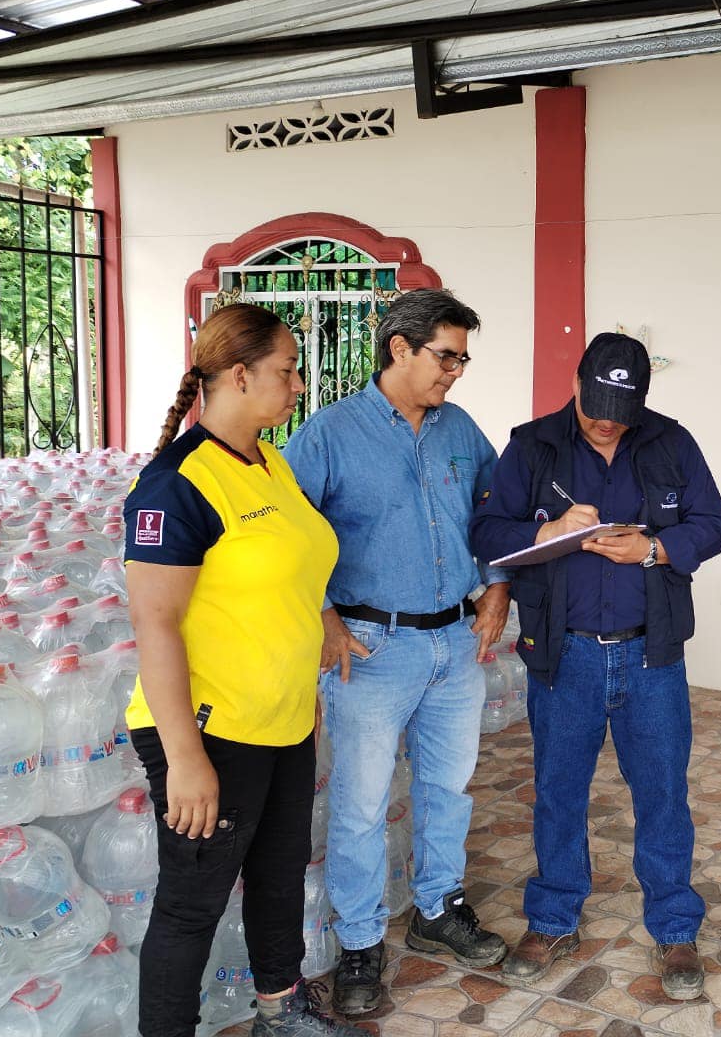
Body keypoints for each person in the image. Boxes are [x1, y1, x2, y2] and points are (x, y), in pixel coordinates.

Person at [123, 302, 364, 1037]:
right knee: (191, 904)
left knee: (278, 875)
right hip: (211, 729)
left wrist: (307, 664)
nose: (298, 386)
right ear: (237, 375)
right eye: (287, 371)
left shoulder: (268, 462)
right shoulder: (177, 484)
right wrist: (186, 759)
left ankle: (280, 1011)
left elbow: (292, 574)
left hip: (280, 720)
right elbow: (155, 624)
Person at [470, 332, 721, 1000]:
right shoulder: (532, 446)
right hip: (567, 653)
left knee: (663, 794)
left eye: (622, 410)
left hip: (651, 654)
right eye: (596, 407)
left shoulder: (671, 442)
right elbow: (488, 531)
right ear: (577, 382)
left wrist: (653, 549)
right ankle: (553, 918)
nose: (607, 422)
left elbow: (713, 524)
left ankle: (675, 926)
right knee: (559, 791)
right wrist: (548, 531)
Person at [282, 289, 512, 1017]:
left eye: (463, 359)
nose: (456, 372)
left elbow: (496, 514)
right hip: (370, 648)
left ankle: (438, 907)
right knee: (360, 805)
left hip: (455, 641)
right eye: (446, 357)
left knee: (449, 788)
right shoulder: (329, 433)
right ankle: (359, 942)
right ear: (400, 348)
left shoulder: (459, 428)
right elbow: (287, 535)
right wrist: (323, 616)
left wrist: (498, 585)